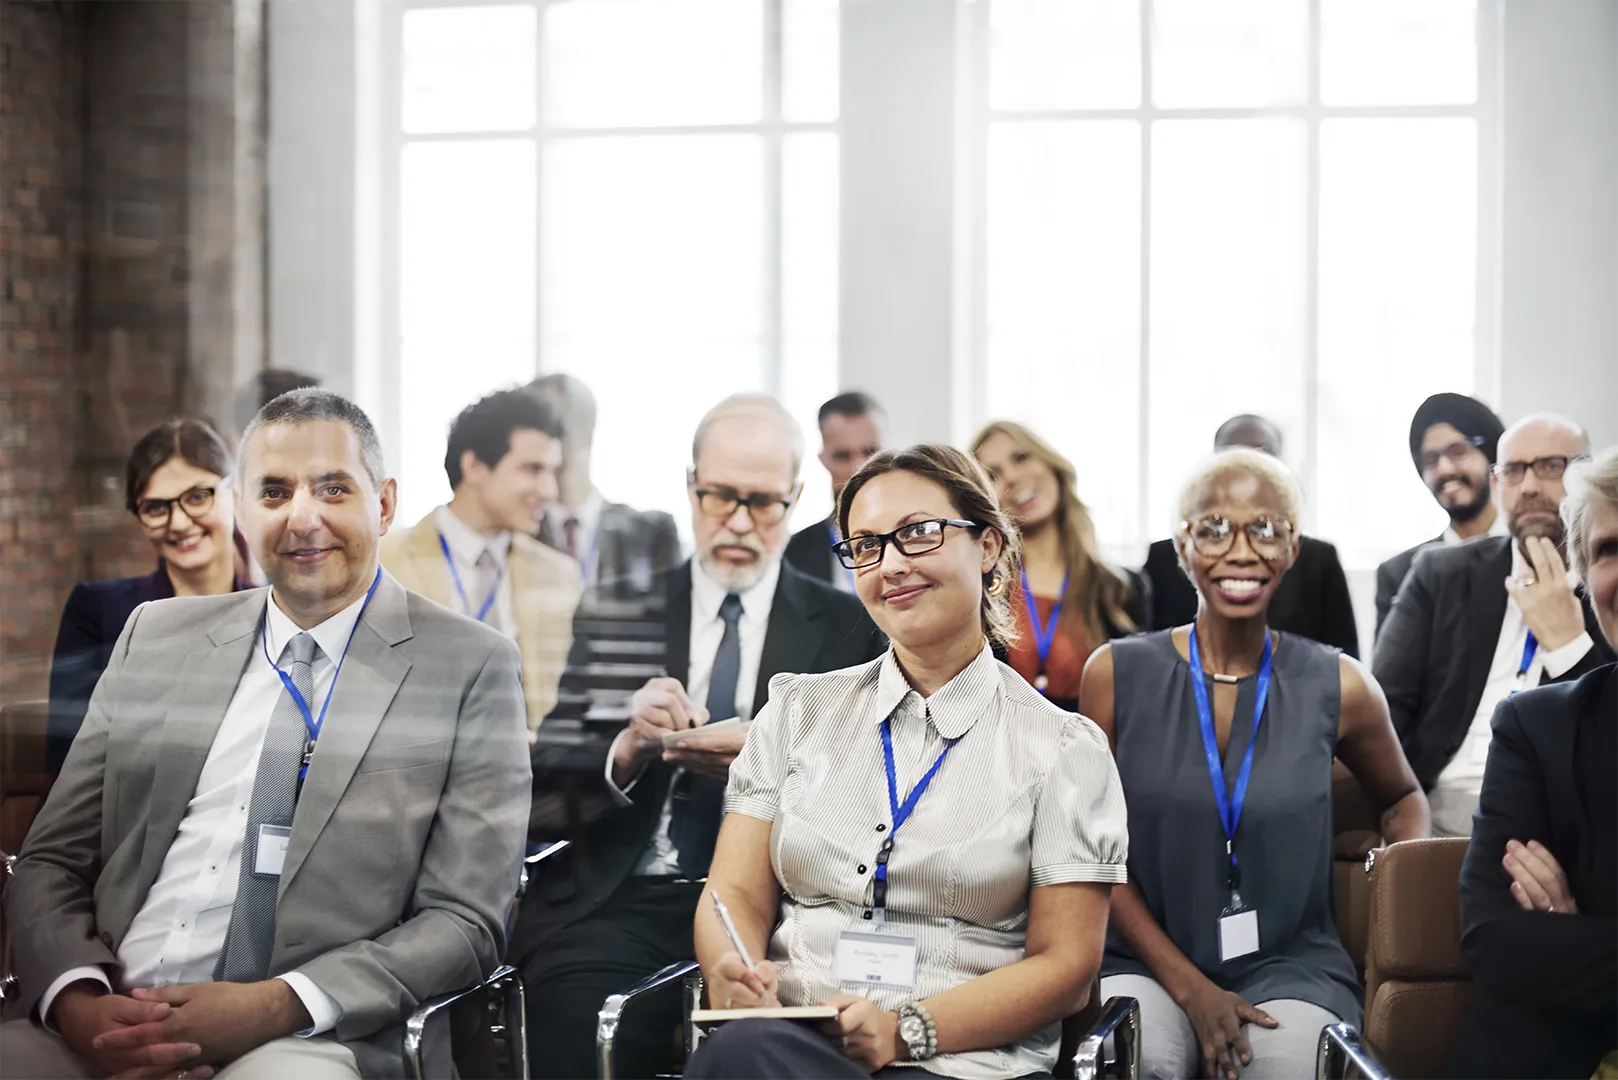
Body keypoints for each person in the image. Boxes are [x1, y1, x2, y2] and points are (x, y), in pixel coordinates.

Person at [0, 389, 531, 1080]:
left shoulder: (470, 665)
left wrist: (275, 1004)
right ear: (242, 510)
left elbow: (465, 921)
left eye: (333, 488)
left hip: (307, 1037)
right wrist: (78, 998)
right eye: (274, 492)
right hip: (106, 1016)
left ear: (385, 502)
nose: (302, 517)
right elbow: (50, 860)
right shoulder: (155, 637)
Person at [687, 443, 1127, 1080]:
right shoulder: (795, 711)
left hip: (965, 1063)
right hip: (792, 1044)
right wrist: (731, 972)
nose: (890, 564)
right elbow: (733, 896)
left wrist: (904, 1032)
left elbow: (1067, 969)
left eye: (917, 534)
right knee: (743, 1055)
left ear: (988, 547)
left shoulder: (1063, 748)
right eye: (865, 545)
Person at [510, 393, 885, 1080]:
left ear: (798, 499)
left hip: (782, 905)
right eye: (719, 497)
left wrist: (775, 755)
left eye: (764, 503)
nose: (739, 522)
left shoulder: (847, 622)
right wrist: (626, 747)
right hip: (630, 888)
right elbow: (550, 782)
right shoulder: (620, 608)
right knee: (570, 1012)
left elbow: (872, 788)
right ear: (689, 485)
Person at [1085, 448, 1429, 1080]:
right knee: (1148, 1063)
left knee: (1285, 1071)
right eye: (1213, 528)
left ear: (1293, 547)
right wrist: (1191, 988)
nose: (1240, 550)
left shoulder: (1342, 684)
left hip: (1291, 964)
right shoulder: (1114, 674)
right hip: (1141, 957)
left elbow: (1403, 797)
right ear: (1181, 546)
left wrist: (1394, 870)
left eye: (1265, 529)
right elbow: (1092, 851)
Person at [1448, 446, 1618, 1080]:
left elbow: (1544, 954)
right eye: (1608, 550)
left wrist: (1578, 936)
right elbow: (1497, 941)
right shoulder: (1534, 728)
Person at [1373, 414, 1615, 837]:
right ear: (1497, 484)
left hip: (1558, 815)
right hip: (1436, 805)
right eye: (1514, 471)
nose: (1530, 486)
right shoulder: (1441, 573)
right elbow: (1383, 712)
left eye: (1551, 466)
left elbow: (1607, 742)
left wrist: (1568, 645)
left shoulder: (1607, 584)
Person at [46, 418, 257, 776]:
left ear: (234, 497)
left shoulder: (273, 611)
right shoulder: (98, 611)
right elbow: (70, 761)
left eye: (196, 497)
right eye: (156, 508)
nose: (178, 522)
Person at [380, 388, 583, 738]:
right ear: (474, 466)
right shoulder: (385, 561)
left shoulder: (560, 576)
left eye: (552, 472)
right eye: (533, 469)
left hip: (533, 775)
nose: (549, 490)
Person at [1142, 415, 1360, 658]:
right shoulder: (1163, 557)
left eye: (1261, 456)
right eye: (1231, 457)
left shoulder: (1318, 560)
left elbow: (1345, 653)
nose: (1241, 554)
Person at [970, 421, 1149, 711]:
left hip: (1096, 751)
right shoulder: (979, 589)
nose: (1013, 477)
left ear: (1052, 464)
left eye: (1021, 457)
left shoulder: (1121, 587)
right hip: (1004, 750)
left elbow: (1140, 703)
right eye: (993, 475)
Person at [528, 372, 681, 593]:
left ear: (588, 431)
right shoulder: (516, 535)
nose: (550, 437)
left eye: (560, 424)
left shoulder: (650, 535)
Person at [1374, 393, 1507, 636]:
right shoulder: (1399, 574)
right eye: (1431, 459)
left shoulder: (1531, 558)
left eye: (1458, 451)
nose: (1445, 469)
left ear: (1491, 456)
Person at [784, 391, 887, 591]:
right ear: (823, 459)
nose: (859, 468)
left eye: (870, 452)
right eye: (843, 455)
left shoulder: (922, 539)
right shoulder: (792, 556)